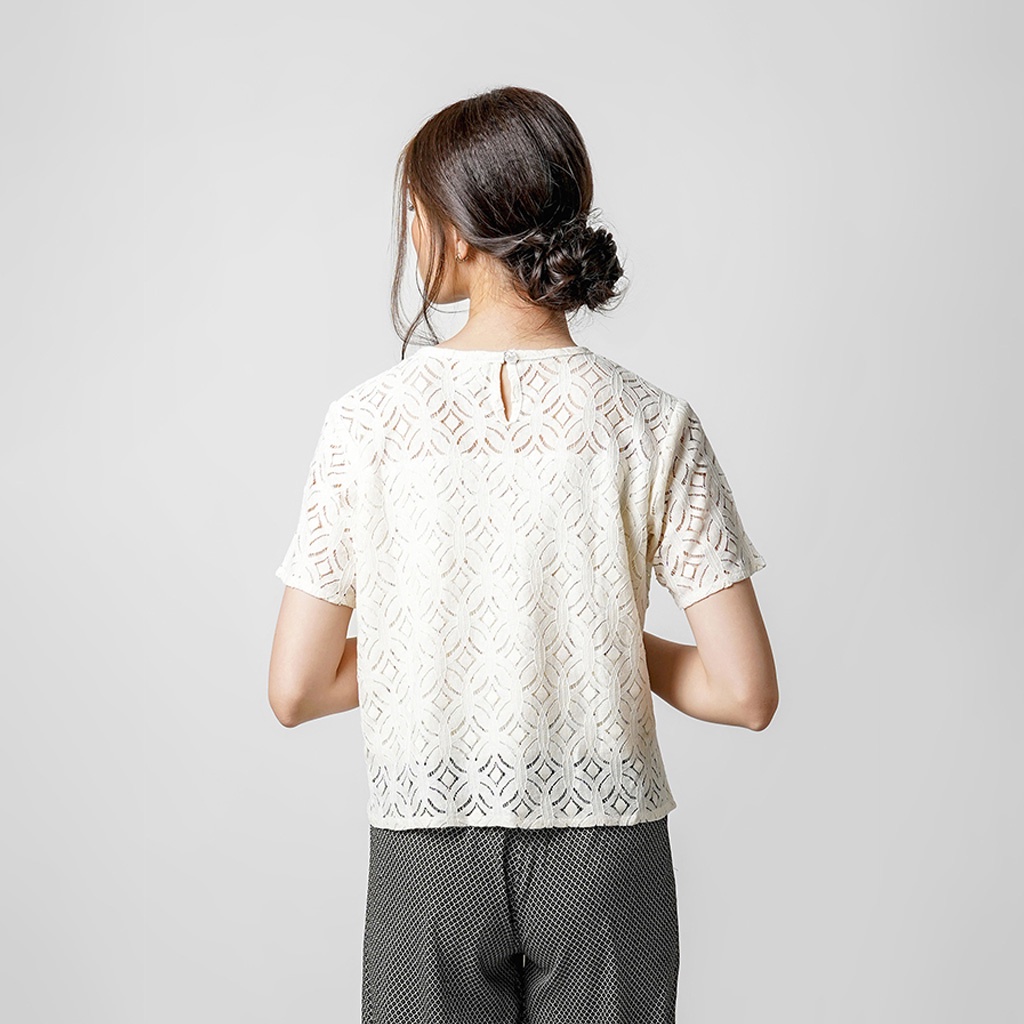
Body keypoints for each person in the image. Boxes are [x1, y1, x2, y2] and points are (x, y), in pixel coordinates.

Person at [268, 85, 777, 1024]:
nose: (409, 233)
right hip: (608, 854)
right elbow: (745, 694)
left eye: (413, 212)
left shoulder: (365, 424)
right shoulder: (652, 423)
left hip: (427, 851)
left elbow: (297, 688)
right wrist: (598, 644)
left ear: (458, 233)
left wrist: (452, 649)